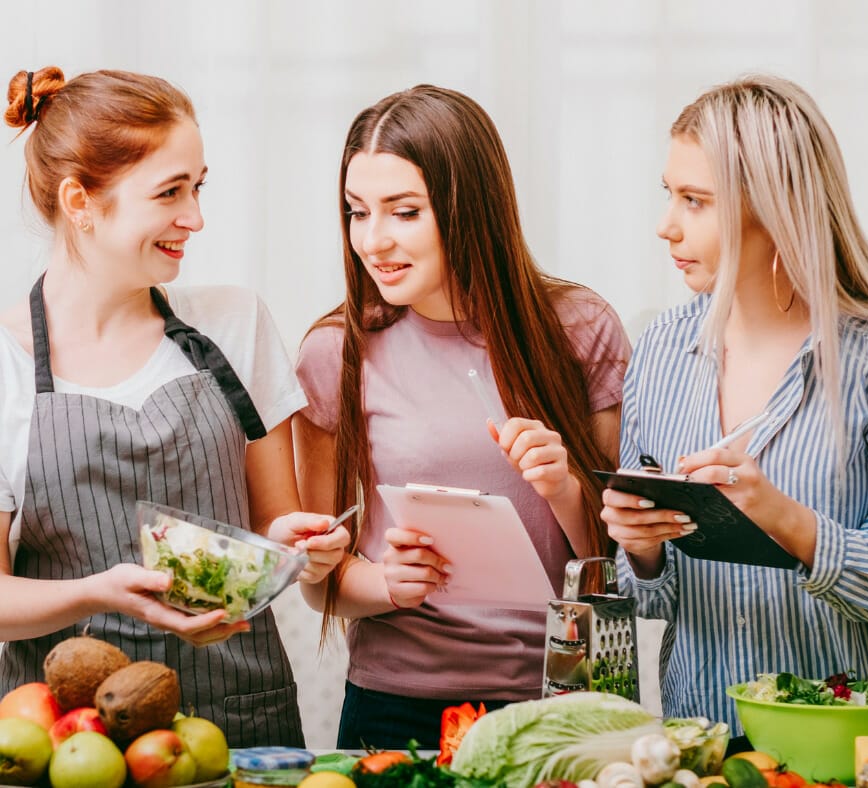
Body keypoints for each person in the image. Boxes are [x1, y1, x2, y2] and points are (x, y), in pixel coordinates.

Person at [0, 67, 350, 747]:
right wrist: (101, 592)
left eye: (198, 186)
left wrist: (297, 550)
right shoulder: (4, 364)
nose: (195, 217)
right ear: (80, 201)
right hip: (66, 742)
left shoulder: (234, 322)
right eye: (169, 192)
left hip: (241, 719)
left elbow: (272, 528)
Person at [602, 74, 868, 748]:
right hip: (708, 752)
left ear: (777, 208)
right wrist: (639, 553)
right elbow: (649, 608)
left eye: (695, 201)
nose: (666, 225)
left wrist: (788, 522)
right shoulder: (661, 350)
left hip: (859, 756)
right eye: (670, 195)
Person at [294, 84, 630, 748]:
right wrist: (387, 584)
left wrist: (563, 487)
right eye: (358, 212)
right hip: (395, 708)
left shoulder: (580, 329)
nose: (374, 240)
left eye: (404, 212)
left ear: (467, 208)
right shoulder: (335, 353)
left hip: (558, 700)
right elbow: (321, 579)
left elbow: (617, 563)